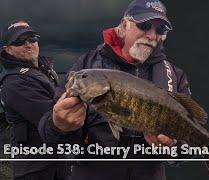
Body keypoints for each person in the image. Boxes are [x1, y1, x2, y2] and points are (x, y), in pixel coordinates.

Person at [39, 0, 195, 180]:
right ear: (123, 26)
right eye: (144, 25)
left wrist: (172, 147)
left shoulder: (175, 75)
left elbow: (186, 150)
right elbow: (47, 133)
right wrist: (58, 126)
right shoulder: (86, 67)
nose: (152, 35)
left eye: (160, 30)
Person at [0, 20, 68, 180]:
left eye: (32, 38)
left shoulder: (46, 71)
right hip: (34, 167)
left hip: (57, 161)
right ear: (7, 49)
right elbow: (53, 118)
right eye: (19, 41)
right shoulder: (14, 82)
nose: (28, 44)